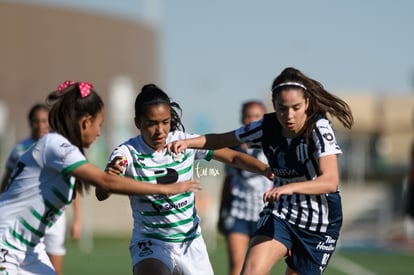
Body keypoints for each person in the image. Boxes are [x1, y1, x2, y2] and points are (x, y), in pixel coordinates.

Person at [0, 80, 202, 275]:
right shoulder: (56, 146)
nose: (99, 133)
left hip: (29, 251)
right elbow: (105, 182)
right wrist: (166, 189)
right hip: (5, 245)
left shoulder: (63, 151)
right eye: (99, 124)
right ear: (86, 122)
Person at [167, 67, 354, 275]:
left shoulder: (319, 128)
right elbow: (222, 139)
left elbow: (329, 181)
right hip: (282, 212)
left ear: (307, 103)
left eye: (296, 107)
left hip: (319, 222)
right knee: (250, 271)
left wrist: (289, 187)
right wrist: (187, 142)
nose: (289, 115)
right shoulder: (267, 127)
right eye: (282, 108)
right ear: (274, 105)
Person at [95, 84, 273, 275]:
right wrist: (110, 177)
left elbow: (233, 157)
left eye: (165, 122)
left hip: (190, 241)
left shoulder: (184, 142)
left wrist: (266, 170)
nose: (160, 130)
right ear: (138, 122)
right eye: (151, 123)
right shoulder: (127, 153)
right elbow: (101, 193)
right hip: (151, 241)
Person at [0, 103, 81, 275]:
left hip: (53, 217)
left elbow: (75, 186)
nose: (41, 125)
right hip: (26, 216)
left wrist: (77, 219)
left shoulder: (59, 149)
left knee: (52, 268)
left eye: (44, 121)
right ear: (30, 123)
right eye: (36, 121)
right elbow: (7, 181)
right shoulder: (21, 148)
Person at [217, 100, 273, 275]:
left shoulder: (272, 146)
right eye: (248, 116)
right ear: (242, 118)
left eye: (256, 116)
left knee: (258, 268)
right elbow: (227, 182)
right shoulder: (233, 149)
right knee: (237, 264)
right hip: (238, 213)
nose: (252, 120)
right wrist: (221, 212)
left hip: (264, 213)